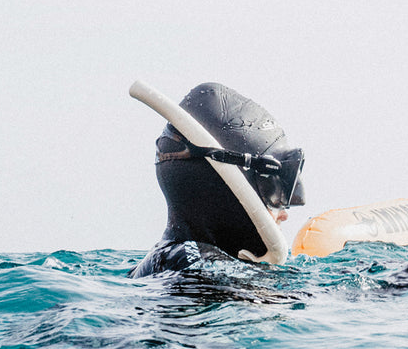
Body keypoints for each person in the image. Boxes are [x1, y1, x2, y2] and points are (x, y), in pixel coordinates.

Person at [130, 82, 305, 278]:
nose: (284, 215)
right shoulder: (193, 259)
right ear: (227, 187)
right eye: (273, 189)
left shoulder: (171, 259)